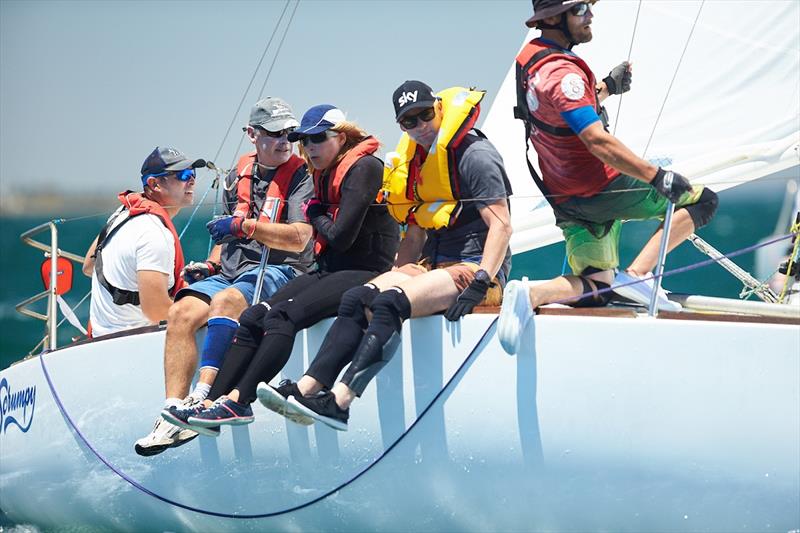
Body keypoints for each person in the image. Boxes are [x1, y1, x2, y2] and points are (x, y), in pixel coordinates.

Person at [257, 81, 513, 432]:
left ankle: (340, 402)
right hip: (432, 265)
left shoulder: (476, 156)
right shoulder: (418, 163)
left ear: (438, 108)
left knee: (390, 302)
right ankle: (306, 390)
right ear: (400, 126)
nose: (419, 126)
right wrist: (393, 274)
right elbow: (417, 231)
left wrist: (483, 278)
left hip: (475, 269)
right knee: (357, 297)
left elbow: (501, 226)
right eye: (409, 121)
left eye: (424, 115)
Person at [159, 105, 400, 432]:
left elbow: (341, 238)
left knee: (282, 316)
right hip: (330, 269)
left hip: (364, 269)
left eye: (318, 138)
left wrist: (313, 212)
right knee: (255, 314)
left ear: (341, 137)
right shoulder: (323, 170)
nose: (309, 147)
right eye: (306, 140)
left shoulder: (365, 168)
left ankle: (239, 401)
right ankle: (208, 402)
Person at [497, 0, 719, 354]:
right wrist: (656, 176)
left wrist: (606, 88)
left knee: (596, 286)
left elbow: (554, 108)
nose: (591, 15)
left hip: (563, 194)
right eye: (581, 9)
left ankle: (531, 292)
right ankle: (639, 275)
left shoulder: (532, 58)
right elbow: (595, 139)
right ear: (554, 18)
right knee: (703, 200)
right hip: (599, 186)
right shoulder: (564, 73)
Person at [134, 97, 315, 456]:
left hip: (282, 269)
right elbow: (224, 236)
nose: (285, 141)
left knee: (226, 301)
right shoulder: (237, 176)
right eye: (275, 133)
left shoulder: (301, 176)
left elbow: (300, 238)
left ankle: (204, 398)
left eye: (289, 134)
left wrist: (245, 227)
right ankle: (173, 411)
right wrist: (212, 264)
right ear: (252, 134)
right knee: (181, 311)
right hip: (233, 269)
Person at [83, 146, 204, 337]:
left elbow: (89, 266)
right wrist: (208, 314)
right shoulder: (154, 234)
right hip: (133, 342)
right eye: (182, 175)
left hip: (100, 336)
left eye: (193, 173)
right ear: (154, 184)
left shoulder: (122, 213)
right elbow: (155, 311)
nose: (191, 180)